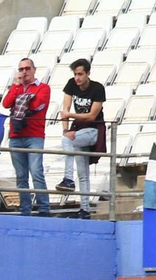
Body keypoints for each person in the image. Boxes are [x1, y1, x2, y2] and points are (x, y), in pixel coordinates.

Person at [55, 58, 106, 218]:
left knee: (67, 141)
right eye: (75, 74)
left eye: (80, 74)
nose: (77, 78)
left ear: (88, 73)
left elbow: (92, 116)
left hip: (93, 130)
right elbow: (65, 109)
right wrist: (65, 130)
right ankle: (84, 210)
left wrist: (70, 116)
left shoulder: (97, 88)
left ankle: (68, 179)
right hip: (78, 131)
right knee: (83, 174)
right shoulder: (71, 84)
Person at [0, 58, 50, 216]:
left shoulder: (43, 88)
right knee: (21, 176)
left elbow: (36, 105)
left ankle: (44, 209)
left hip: (34, 134)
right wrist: (16, 86)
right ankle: (25, 210)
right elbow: (6, 103)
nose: (24, 72)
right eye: (21, 69)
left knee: (36, 172)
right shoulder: (16, 88)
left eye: (27, 68)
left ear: (34, 69)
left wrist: (20, 99)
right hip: (16, 135)